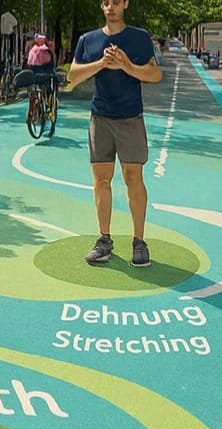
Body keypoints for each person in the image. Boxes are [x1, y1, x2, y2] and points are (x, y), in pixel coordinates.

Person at [64, 0, 162, 267]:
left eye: (116, 2)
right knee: (101, 179)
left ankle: (139, 242)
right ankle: (104, 240)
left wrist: (127, 65)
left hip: (130, 117)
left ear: (126, 4)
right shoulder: (89, 40)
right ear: (101, 5)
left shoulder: (139, 38)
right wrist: (101, 63)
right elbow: (72, 75)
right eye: (106, 2)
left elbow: (155, 74)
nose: (111, 7)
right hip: (100, 118)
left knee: (133, 177)